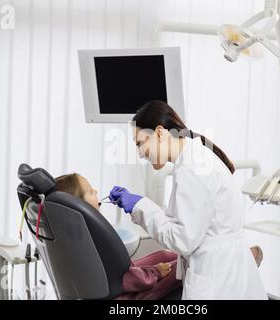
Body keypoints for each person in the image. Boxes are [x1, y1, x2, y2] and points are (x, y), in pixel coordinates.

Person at [109, 100, 267, 300]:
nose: (140, 153)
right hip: (224, 273)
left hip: (217, 281)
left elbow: (182, 239)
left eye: (140, 143)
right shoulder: (193, 160)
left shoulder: (191, 168)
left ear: (159, 133)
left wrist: (140, 206)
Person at [54, 173, 264, 300]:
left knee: (164, 253)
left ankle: (234, 259)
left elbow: (119, 272)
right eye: (91, 191)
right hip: (132, 294)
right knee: (185, 267)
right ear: (79, 205)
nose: (96, 191)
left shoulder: (76, 239)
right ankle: (238, 261)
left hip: (121, 284)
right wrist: (155, 273)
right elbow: (124, 280)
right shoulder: (95, 239)